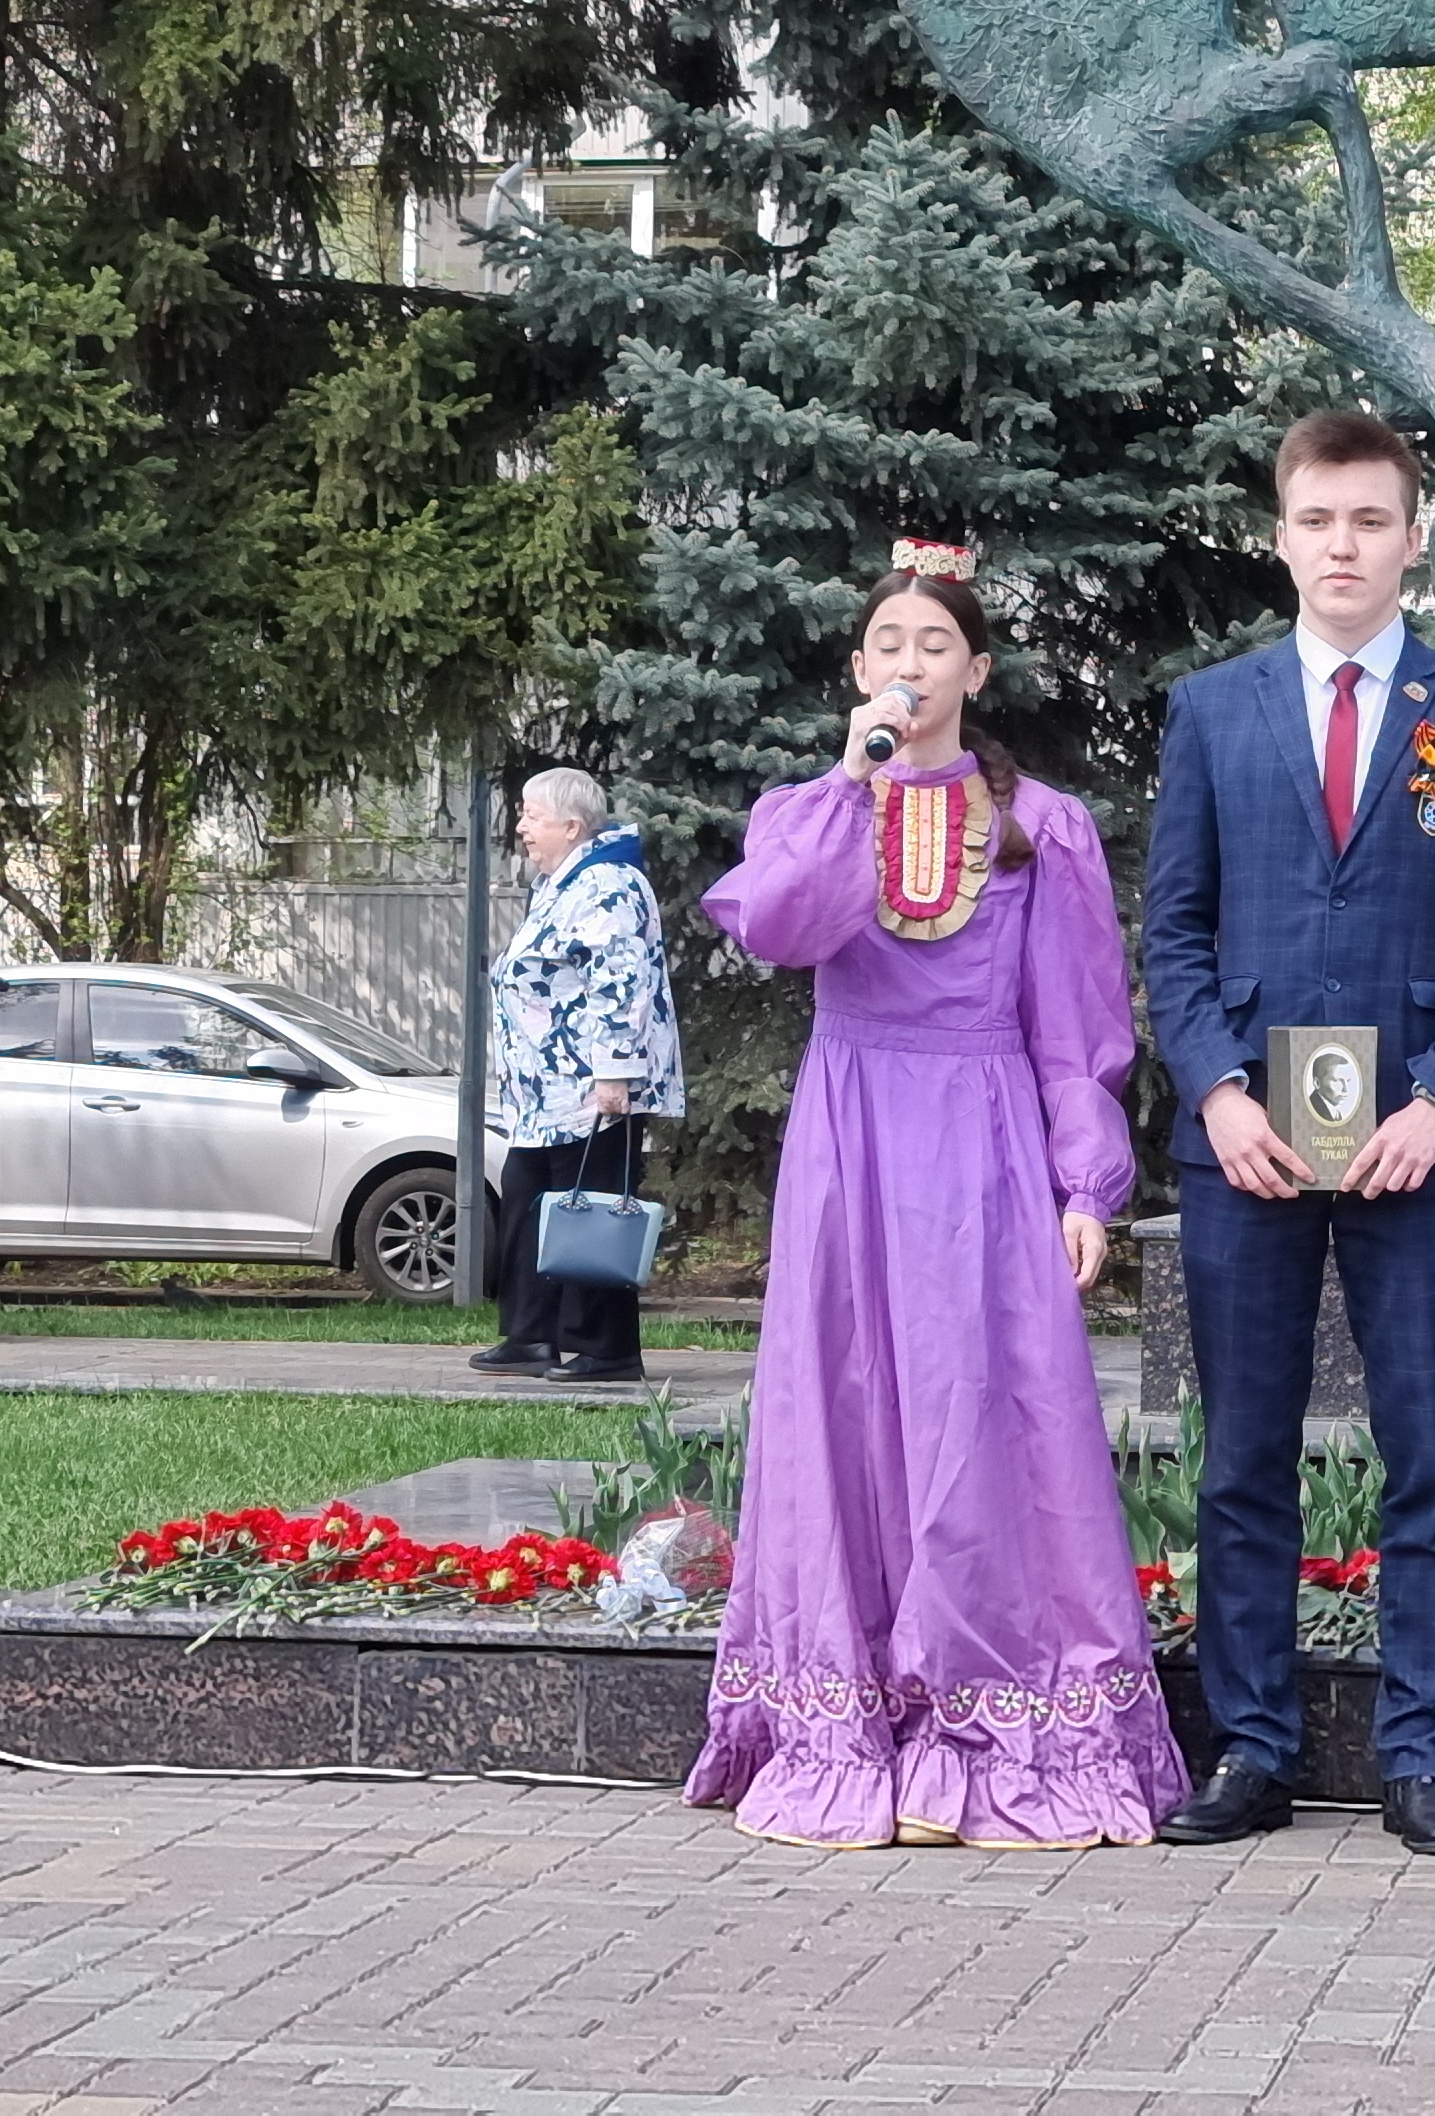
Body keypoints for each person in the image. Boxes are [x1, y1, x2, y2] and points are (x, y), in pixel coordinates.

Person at [686, 537, 1187, 1848]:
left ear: (978, 670)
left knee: (984, 1415)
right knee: (846, 1409)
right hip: (852, 1140)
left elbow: (1076, 1028)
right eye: (889, 647)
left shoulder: (1044, 827)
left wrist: (1087, 1184)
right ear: (859, 670)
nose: (911, 667)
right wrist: (851, 779)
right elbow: (781, 929)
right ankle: (850, 1728)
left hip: (984, 1143)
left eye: (936, 647)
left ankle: (990, 1724)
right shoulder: (807, 812)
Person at [1141, 408, 1435, 1859]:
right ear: (1281, 536)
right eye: (1318, 520)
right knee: (1241, 1455)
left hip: (1416, 1148)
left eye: (1371, 520)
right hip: (1246, 1145)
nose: (1343, 546)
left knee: (1426, 1454)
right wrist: (1217, 1090)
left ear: (1413, 538)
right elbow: (1175, 935)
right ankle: (1250, 1747)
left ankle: (1424, 1754)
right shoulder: (1214, 710)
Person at [478, 767, 678, 1384]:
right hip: (543, 1091)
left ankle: (607, 1348)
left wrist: (614, 1073)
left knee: (592, 1210)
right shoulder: (559, 884)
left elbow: (621, 981)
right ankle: (532, 1334)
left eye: (531, 816)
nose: (520, 827)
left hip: (591, 1087)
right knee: (525, 1199)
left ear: (571, 826)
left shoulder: (608, 883)